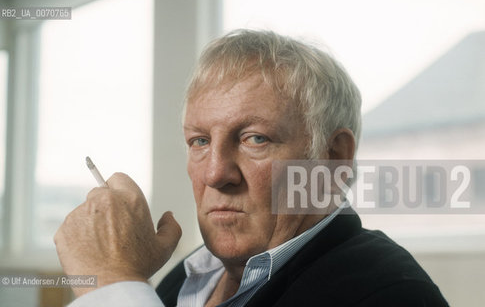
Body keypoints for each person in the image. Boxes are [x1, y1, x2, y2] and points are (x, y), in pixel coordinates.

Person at [54, 29, 449, 306]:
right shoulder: (190, 278)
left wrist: (112, 284)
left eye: (254, 139)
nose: (215, 174)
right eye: (200, 141)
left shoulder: (390, 293)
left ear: (334, 157)